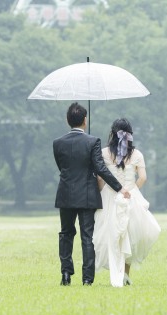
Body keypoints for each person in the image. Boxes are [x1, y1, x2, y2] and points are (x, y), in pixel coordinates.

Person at [53, 102, 130, 286]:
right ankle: (87, 279)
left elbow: (62, 167)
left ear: (67, 120)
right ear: (85, 121)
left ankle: (65, 273)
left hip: (65, 194)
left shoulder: (58, 143)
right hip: (87, 195)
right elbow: (100, 168)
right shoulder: (92, 141)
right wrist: (119, 187)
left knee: (66, 233)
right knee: (87, 236)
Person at [93, 118, 161, 287]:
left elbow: (101, 178)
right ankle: (125, 274)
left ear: (112, 134)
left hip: (109, 197)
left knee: (111, 234)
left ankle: (115, 270)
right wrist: (132, 191)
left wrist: (100, 191)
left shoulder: (104, 153)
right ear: (130, 135)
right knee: (130, 235)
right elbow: (143, 178)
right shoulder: (137, 155)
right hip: (130, 197)